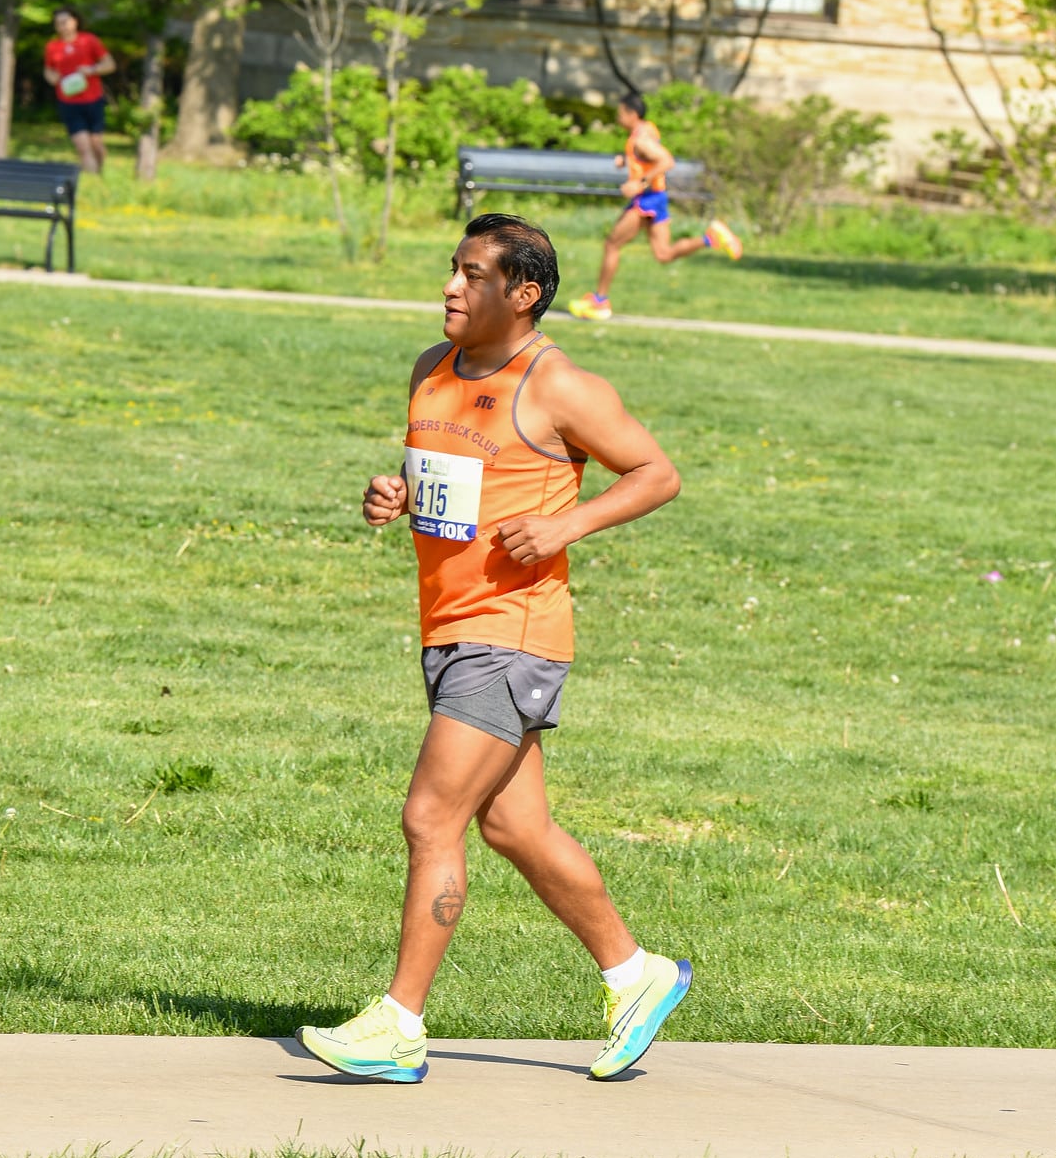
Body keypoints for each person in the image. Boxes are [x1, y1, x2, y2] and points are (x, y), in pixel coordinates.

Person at [298, 213, 691, 1084]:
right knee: (517, 825)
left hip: (509, 638)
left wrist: (565, 523)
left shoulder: (560, 386)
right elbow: (451, 479)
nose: (449, 287)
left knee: (430, 816)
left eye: (472, 275)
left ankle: (398, 1026)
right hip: (447, 627)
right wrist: (393, 492)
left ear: (522, 294)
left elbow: (655, 473)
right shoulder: (430, 369)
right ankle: (636, 974)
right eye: (451, 269)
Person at [568, 87, 742, 322]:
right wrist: (627, 160)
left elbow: (666, 161)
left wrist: (639, 182)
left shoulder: (640, 139)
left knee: (612, 244)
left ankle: (599, 301)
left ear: (632, 114)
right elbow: (647, 157)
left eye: (620, 113)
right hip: (657, 197)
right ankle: (710, 237)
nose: (618, 118)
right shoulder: (645, 131)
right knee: (663, 254)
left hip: (647, 199)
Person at [43, 7, 114, 175]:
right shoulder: (53, 47)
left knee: (96, 144)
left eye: (65, 21)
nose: (62, 26)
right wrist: (52, 77)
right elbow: (48, 70)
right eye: (58, 23)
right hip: (68, 102)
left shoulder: (89, 41)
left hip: (93, 99)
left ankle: (101, 171)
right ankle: (92, 181)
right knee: (83, 147)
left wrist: (91, 70)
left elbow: (110, 65)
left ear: (75, 21)